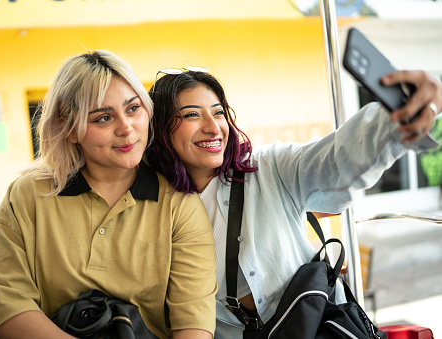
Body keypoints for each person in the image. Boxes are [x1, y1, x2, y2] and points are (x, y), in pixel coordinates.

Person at [145, 68, 442, 338]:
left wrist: (392, 119)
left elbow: (338, 159)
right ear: (160, 130)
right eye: (192, 114)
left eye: (219, 112)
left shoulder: (268, 168)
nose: (213, 127)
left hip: (323, 329)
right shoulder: (155, 213)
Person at [0, 50, 217, 339]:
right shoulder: (28, 196)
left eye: (133, 109)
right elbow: (7, 308)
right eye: (103, 118)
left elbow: (194, 323)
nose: (126, 128)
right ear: (70, 129)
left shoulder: (178, 204)